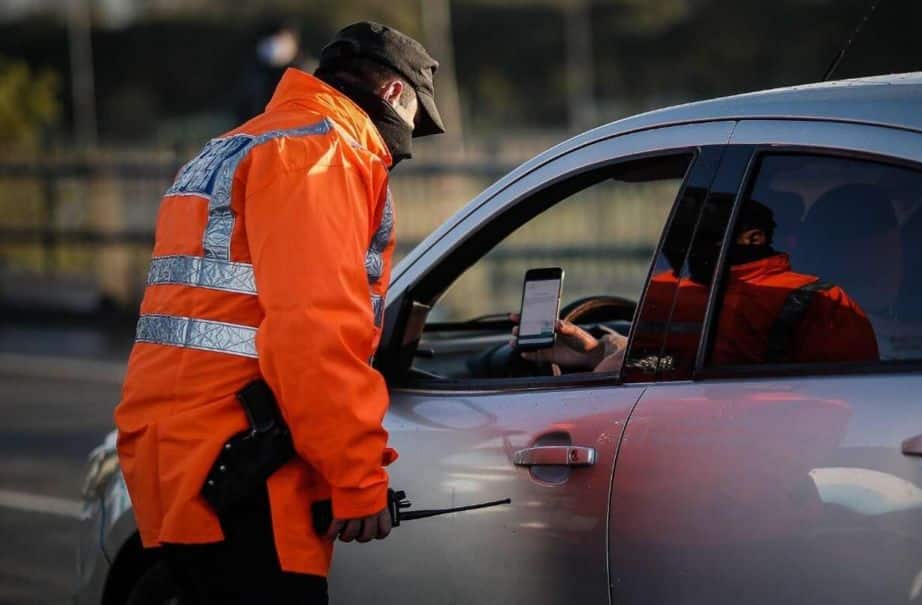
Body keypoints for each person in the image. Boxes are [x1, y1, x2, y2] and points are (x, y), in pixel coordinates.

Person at [114, 22, 444, 604]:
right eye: (418, 117)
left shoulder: (233, 145)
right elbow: (313, 333)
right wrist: (358, 478)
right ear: (394, 94)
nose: (407, 140)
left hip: (177, 458)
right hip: (248, 473)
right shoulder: (321, 155)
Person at [521, 200, 878, 371]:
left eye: (704, 236)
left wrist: (616, 372)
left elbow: (843, 406)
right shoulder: (673, 290)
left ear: (753, 238)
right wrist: (599, 351)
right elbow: (669, 359)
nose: (686, 251)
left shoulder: (819, 301)